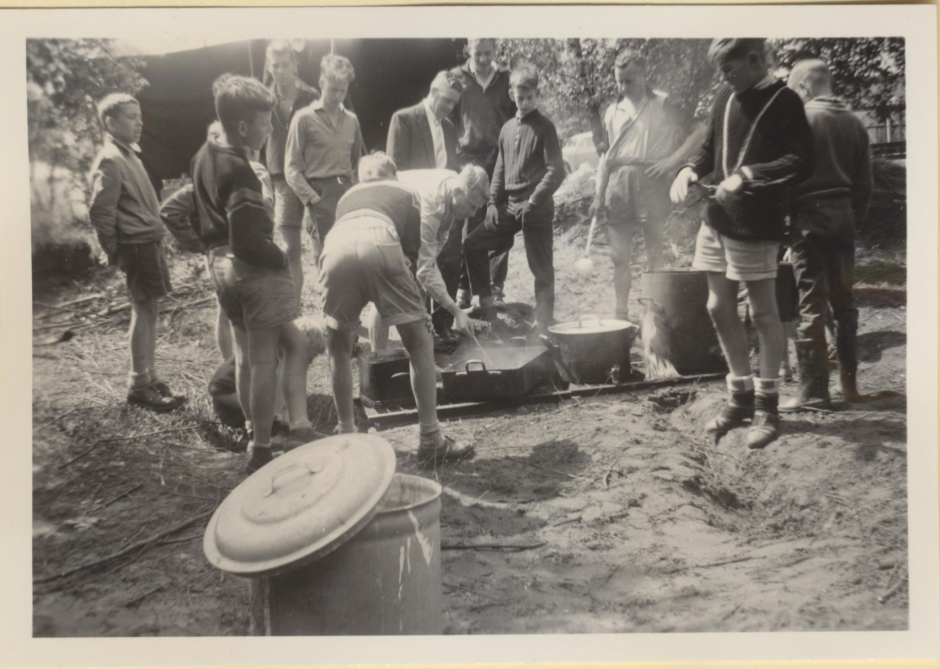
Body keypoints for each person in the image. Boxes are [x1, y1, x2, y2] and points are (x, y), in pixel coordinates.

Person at [670, 38, 814, 449]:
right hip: (716, 219)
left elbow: (799, 160)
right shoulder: (726, 97)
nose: (725, 79)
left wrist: (750, 176)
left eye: (730, 70)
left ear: (754, 61)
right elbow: (708, 149)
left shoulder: (785, 101)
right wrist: (688, 170)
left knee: (764, 315)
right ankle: (741, 397)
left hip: (755, 224)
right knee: (718, 306)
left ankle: (767, 405)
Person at [191, 74, 315, 473]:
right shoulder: (239, 171)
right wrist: (280, 257)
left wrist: (211, 248)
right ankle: (262, 447)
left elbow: (193, 214)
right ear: (243, 126)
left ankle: (253, 430)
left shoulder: (203, 157)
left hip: (221, 267)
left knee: (245, 358)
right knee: (263, 361)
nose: (269, 129)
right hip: (249, 270)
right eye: (264, 122)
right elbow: (247, 243)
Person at [320, 153, 475, 465]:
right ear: (393, 175)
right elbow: (408, 259)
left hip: (334, 245)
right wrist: (421, 315)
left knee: (337, 347)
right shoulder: (406, 193)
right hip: (379, 240)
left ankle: (347, 437)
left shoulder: (347, 197)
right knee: (419, 342)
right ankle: (431, 439)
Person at [780, 59, 872, 411]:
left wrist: (785, 227)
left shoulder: (800, 121)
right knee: (845, 304)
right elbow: (865, 184)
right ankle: (849, 386)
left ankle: (814, 393)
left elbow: (785, 179)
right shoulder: (855, 123)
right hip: (844, 220)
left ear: (804, 86)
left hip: (809, 222)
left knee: (810, 306)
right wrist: (854, 221)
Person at [589, 49, 707, 321]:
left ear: (643, 75)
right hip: (618, 184)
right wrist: (598, 194)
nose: (623, 87)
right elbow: (607, 157)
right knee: (619, 256)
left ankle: (652, 314)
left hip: (652, 181)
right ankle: (621, 315)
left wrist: (671, 161)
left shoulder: (662, 103)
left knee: (654, 250)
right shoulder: (611, 111)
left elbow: (700, 131)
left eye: (629, 80)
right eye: (619, 81)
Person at [88, 93, 185, 412]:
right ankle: (138, 384)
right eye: (131, 117)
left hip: (148, 241)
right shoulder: (110, 159)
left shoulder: (130, 155)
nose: (139, 122)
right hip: (135, 245)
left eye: (140, 116)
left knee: (150, 311)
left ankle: (151, 377)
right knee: (142, 312)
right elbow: (101, 212)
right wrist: (113, 250)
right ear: (110, 123)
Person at [464, 64, 565, 335]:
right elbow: (500, 168)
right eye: (519, 98)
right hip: (508, 206)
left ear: (537, 95)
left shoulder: (546, 128)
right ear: (511, 95)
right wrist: (493, 204)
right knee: (472, 243)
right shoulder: (508, 128)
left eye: (530, 97)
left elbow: (557, 171)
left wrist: (534, 201)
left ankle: (543, 322)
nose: (524, 103)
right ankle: (486, 303)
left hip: (537, 208)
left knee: (541, 268)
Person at [367, 165, 490, 351]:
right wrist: (456, 312)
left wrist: (425, 279)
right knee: (386, 290)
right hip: (381, 220)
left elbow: (434, 248)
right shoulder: (432, 204)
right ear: (458, 192)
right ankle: (379, 360)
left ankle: (421, 359)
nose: (472, 214)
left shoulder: (453, 188)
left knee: (420, 287)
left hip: (406, 223)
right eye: (472, 206)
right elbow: (425, 269)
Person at [451, 38, 517, 309]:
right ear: (469, 50)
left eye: (488, 53)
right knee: (467, 221)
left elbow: (516, 117)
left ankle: (495, 287)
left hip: (499, 156)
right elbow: (450, 117)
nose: (482, 59)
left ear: (495, 52)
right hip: (468, 157)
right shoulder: (457, 77)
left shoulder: (507, 79)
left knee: (498, 221)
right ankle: (464, 286)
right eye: (478, 53)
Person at [285, 54, 364, 273]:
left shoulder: (352, 121)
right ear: (321, 84)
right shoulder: (303, 119)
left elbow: (357, 161)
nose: (338, 95)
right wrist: (313, 199)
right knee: (327, 259)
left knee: (351, 254)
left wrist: (356, 189)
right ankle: (328, 307)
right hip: (320, 194)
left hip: (347, 192)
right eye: (333, 89)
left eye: (343, 90)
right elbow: (291, 167)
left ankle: (349, 306)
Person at [263, 40, 320, 301]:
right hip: (281, 179)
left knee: (321, 245)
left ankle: (331, 307)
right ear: (269, 67)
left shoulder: (310, 96)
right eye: (276, 65)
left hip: (312, 176)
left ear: (295, 64)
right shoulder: (261, 98)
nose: (281, 70)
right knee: (290, 249)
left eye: (286, 64)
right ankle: (293, 308)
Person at [209, 315, 326, 434]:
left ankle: (283, 429)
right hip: (231, 407)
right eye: (307, 357)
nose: (310, 362)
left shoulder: (284, 361)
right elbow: (215, 388)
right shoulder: (263, 356)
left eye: (313, 358)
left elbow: (285, 400)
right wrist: (261, 410)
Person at [387, 70, 462, 172]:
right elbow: (396, 169)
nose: (450, 107)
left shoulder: (448, 126)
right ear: (434, 92)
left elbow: (452, 168)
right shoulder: (404, 119)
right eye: (447, 100)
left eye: (454, 103)